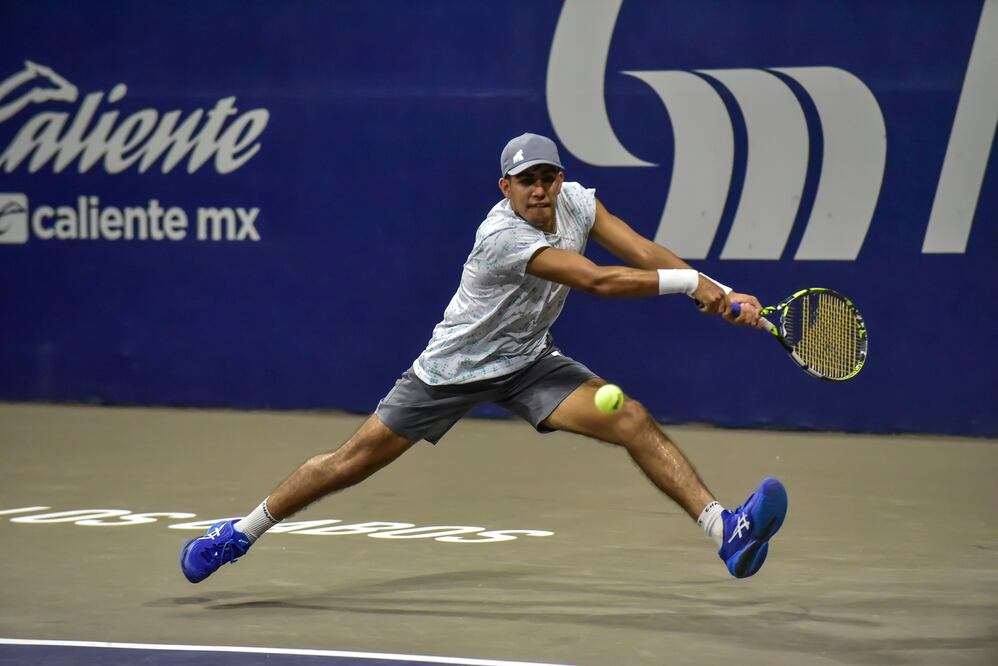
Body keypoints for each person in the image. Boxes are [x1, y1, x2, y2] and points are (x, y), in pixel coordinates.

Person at [180, 133, 788, 584]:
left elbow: (644, 249)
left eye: (547, 177)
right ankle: (241, 531)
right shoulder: (502, 237)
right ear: (506, 189)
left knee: (629, 418)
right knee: (350, 461)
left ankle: (725, 531)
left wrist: (719, 287)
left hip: (528, 361)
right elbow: (599, 281)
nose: (541, 189)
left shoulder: (576, 203)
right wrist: (690, 288)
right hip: (453, 369)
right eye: (527, 181)